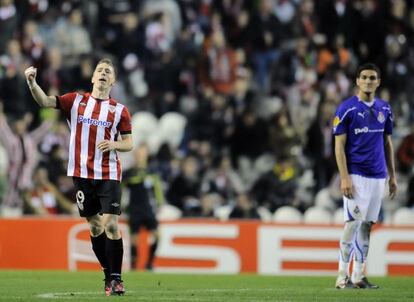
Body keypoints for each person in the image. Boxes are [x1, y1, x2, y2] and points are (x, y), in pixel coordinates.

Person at [24, 58, 133, 296]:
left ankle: (117, 279)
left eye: (108, 71)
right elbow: (44, 101)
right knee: (95, 227)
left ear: (112, 81)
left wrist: (113, 143)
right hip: (81, 174)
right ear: (93, 78)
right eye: (100, 70)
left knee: (112, 225)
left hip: (109, 173)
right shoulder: (76, 100)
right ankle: (107, 276)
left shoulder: (119, 110)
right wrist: (32, 83)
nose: (103, 73)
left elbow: (129, 143)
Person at [332, 63, 397, 289]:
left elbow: (387, 143)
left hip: (378, 176)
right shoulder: (346, 109)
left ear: (378, 82)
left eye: (372, 78)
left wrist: (392, 176)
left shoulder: (385, 109)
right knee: (352, 224)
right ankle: (342, 275)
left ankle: (358, 275)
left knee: (367, 225)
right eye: (364, 77)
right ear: (357, 81)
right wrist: (344, 177)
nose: (368, 81)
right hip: (356, 176)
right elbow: (339, 146)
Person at [123, 144, 164, 270]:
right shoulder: (129, 173)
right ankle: (134, 266)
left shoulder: (152, 172)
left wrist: (159, 203)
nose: (140, 157)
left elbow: (157, 189)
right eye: (138, 154)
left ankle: (150, 263)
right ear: (135, 156)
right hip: (134, 209)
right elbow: (121, 190)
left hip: (148, 209)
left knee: (157, 235)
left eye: (142, 154)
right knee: (134, 239)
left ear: (146, 156)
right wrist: (121, 206)